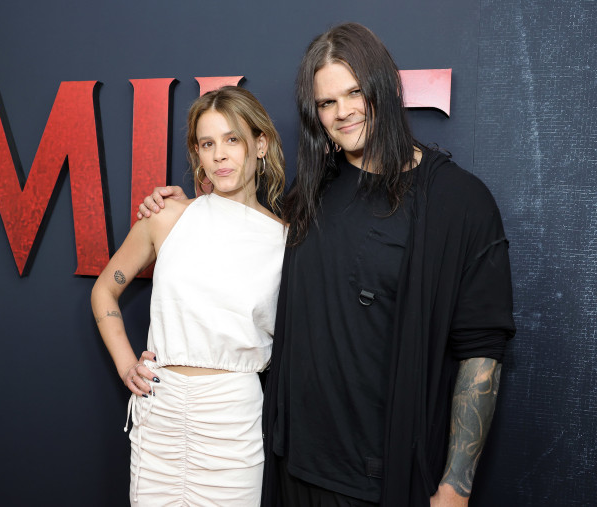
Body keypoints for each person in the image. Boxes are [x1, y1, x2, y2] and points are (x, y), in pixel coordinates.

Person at [136, 23, 515, 507]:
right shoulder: (310, 196)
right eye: (327, 103)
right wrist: (181, 208)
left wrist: (455, 487)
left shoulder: (460, 203)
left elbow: (482, 350)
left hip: (383, 479)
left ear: (384, 87)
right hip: (292, 467)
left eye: (355, 93)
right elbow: (241, 233)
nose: (344, 112)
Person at [91, 86, 286, 506]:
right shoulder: (166, 217)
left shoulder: (286, 242)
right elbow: (105, 289)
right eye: (207, 143)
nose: (220, 155)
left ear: (260, 144)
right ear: (197, 153)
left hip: (232, 421)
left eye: (232, 139)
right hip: (159, 411)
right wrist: (127, 365)